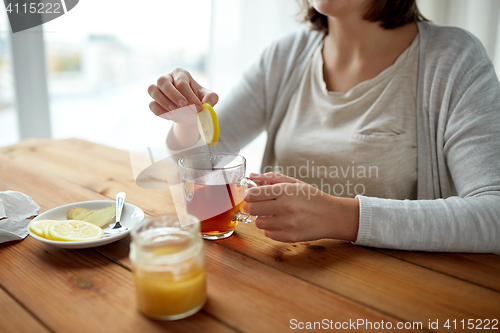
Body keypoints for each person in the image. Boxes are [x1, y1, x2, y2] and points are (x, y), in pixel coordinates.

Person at [147, 0, 500, 252]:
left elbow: (493, 214)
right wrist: (186, 123)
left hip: (396, 295)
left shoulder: (454, 60)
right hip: (285, 272)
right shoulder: (284, 56)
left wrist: (342, 218)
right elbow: (202, 166)